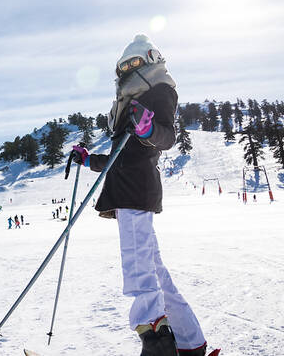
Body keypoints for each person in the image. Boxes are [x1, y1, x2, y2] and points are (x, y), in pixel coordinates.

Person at [70, 35, 213, 356]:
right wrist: (88, 159)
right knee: (155, 269)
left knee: (138, 266)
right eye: (123, 67)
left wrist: (149, 129)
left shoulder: (159, 89)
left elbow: (167, 136)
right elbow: (121, 157)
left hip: (136, 190)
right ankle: (191, 342)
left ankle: (156, 340)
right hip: (128, 188)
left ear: (150, 60)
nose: (128, 70)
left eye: (134, 63)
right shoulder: (130, 103)